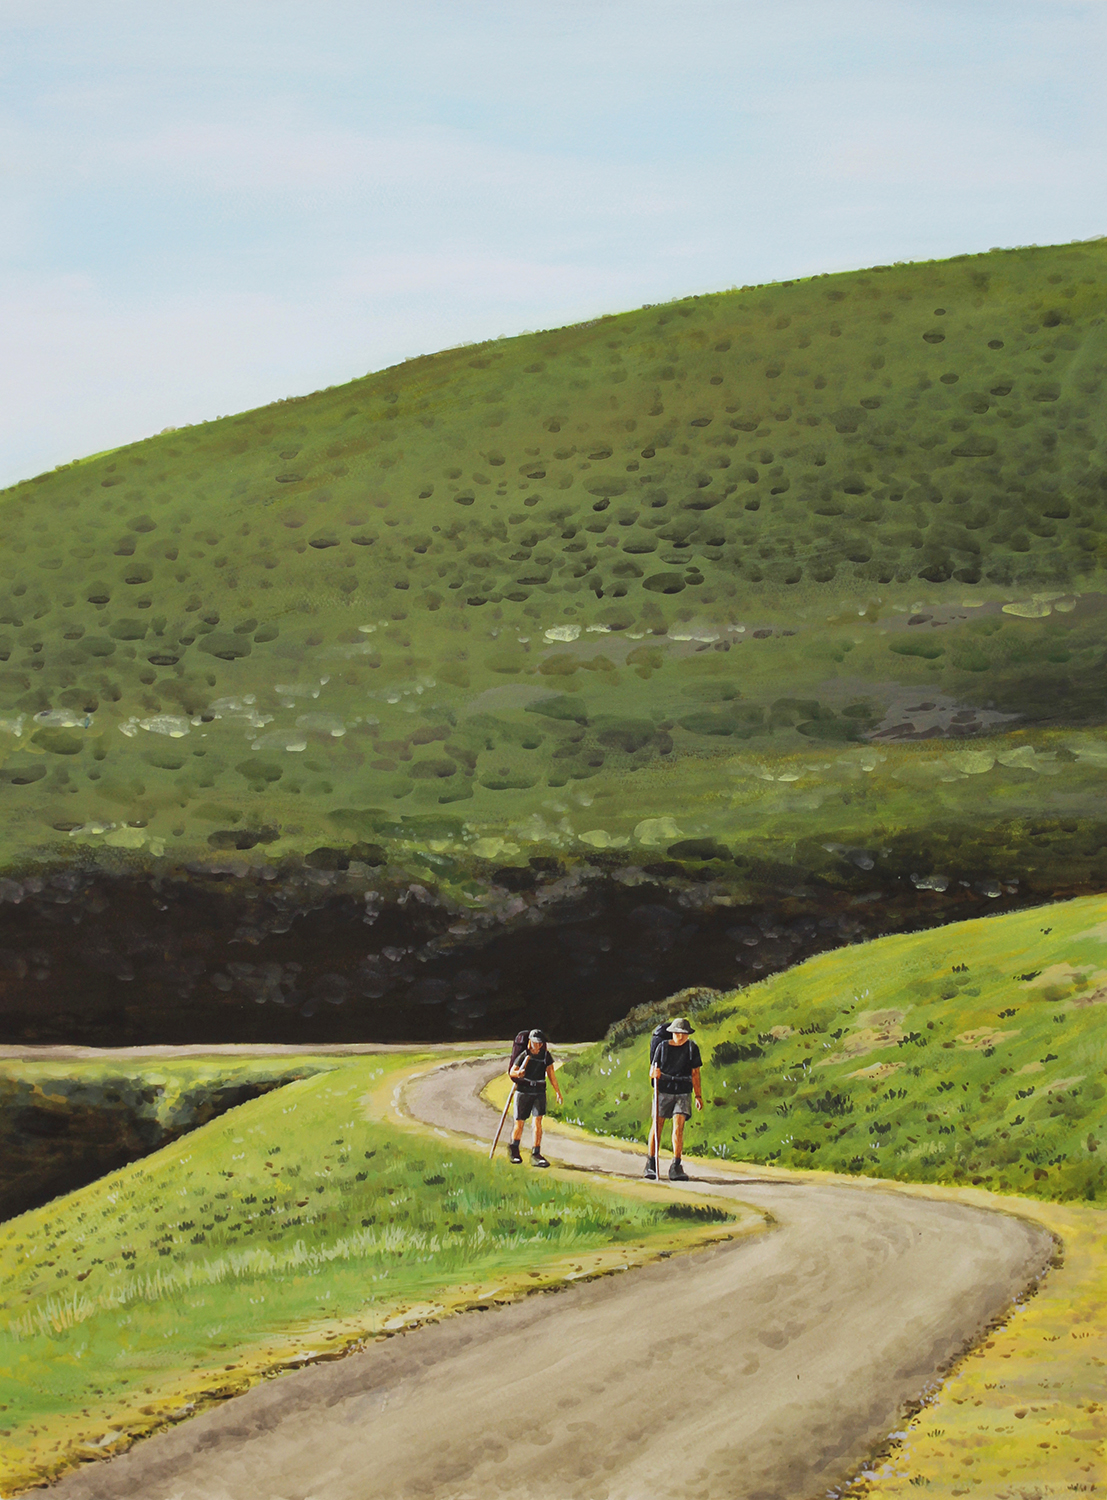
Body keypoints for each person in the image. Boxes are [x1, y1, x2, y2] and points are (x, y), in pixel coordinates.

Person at [645, 1016, 703, 1181]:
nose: (681, 1036)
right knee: (657, 1126)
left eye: (684, 1033)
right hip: (664, 1091)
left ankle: (676, 1166)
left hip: (683, 1092)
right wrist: (654, 1074)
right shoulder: (662, 1048)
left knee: (678, 1128)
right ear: (672, 1033)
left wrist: (698, 1095)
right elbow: (652, 1070)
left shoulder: (692, 1049)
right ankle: (651, 1163)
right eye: (678, 1033)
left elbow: (695, 1073)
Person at [507, 1029, 563, 1168]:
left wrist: (557, 1092)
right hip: (524, 1091)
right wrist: (518, 1073)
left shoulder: (545, 1056)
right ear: (529, 1042)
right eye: (534, 1042)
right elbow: (512, 1071)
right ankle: (514, 1149)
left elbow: (551, 1075)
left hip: (539, 1091)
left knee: (537, 1122)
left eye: (539, 1043)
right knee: (519, 1122)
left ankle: (536, 1153)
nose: (536, 1045)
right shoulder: (524, 1055)